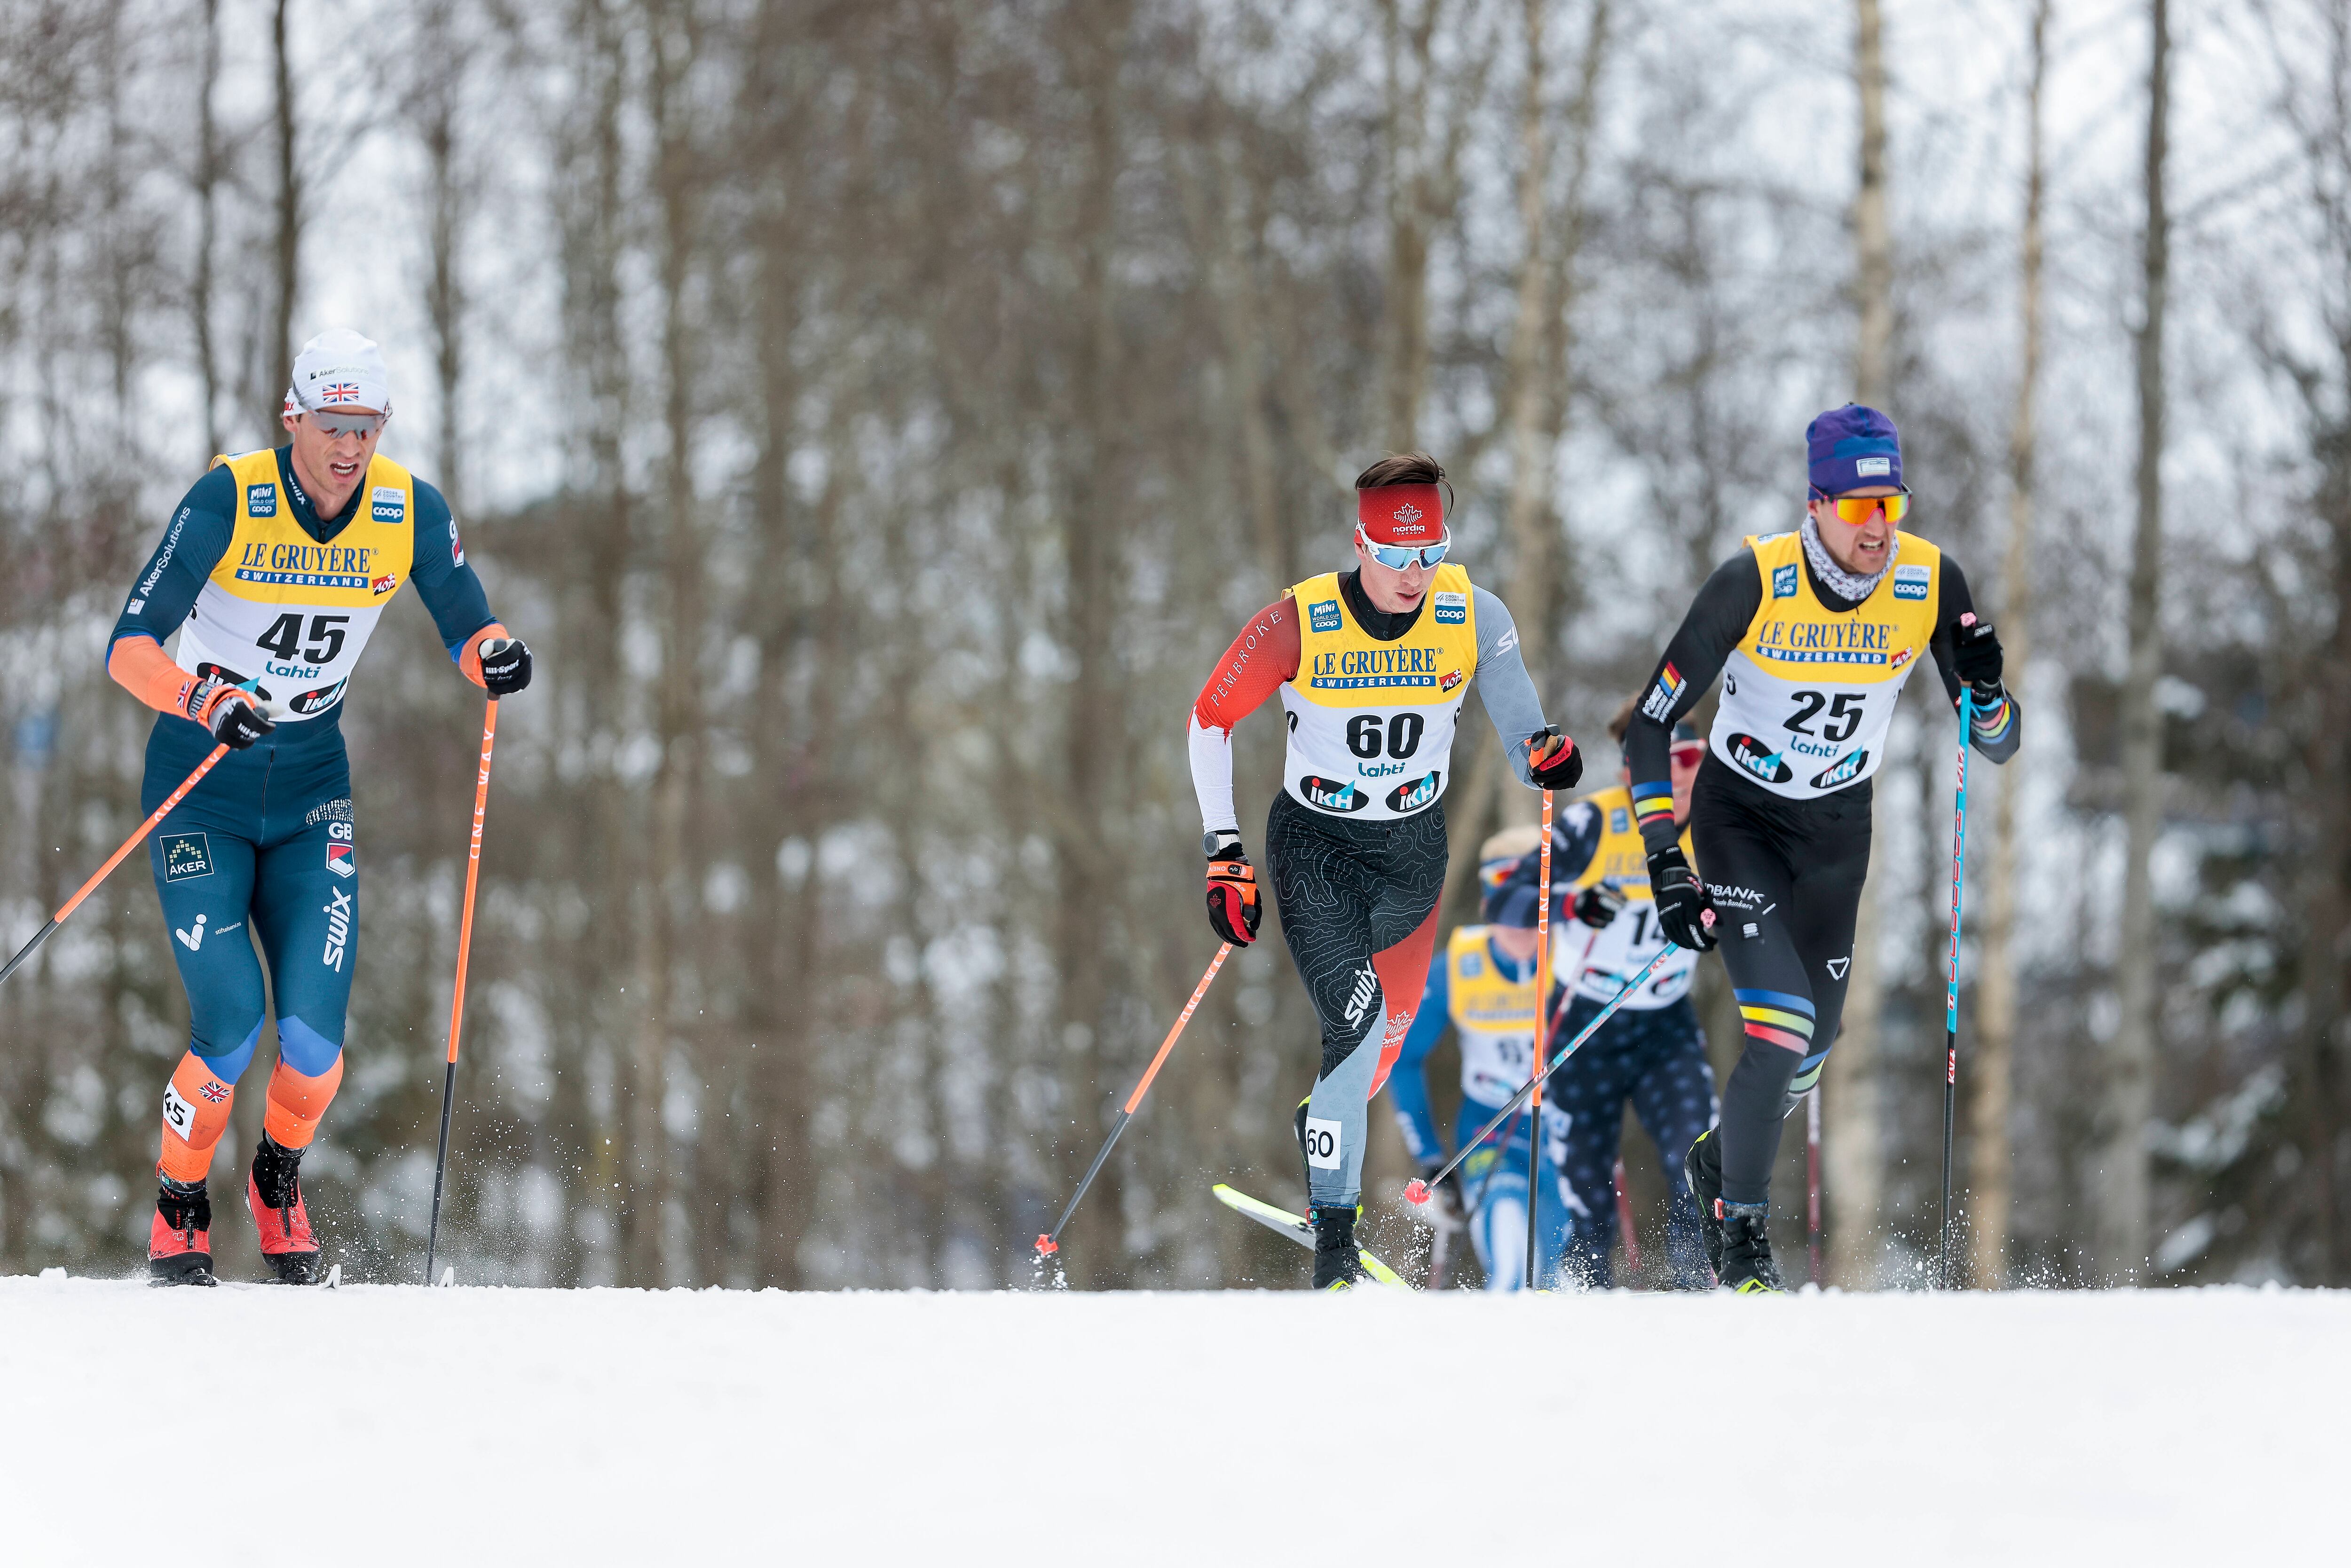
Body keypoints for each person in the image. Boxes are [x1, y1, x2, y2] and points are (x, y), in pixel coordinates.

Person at [110, 328, 533, 1284]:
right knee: (229, 1021)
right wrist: (203, 697)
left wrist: (495, 653)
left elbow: (467, 619)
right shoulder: (233, 495)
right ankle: (180, 1202)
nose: (349, 447)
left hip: (309, 795)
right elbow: (129, 643)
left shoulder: (406, 509)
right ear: (292, 418)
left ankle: (275, 1175)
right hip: (200, 789)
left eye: (367, 427)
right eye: (332, 424)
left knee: (313, 1044)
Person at [1621, 403, 2018, 1292]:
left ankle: (1719, 1163)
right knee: (1782, 1023)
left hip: (1839, 833)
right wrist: (1665, 861)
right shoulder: (1752, 581)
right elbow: (1650, 725)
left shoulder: (1929, 581)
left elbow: (1995, 740)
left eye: (1893, 506)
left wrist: (1987, 694)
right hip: (1742, 822)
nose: (1879, 527)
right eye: (1859, 508)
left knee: (1812, 1047)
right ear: (1817, 502)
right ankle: (1745, 1241)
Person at [1188, 452, 1582, 1289]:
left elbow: (1524, 733)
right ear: (1361, 543)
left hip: (1412, 854)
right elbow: (1210, 718)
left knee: (1381, 1049)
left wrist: (1547, 755)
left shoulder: (1474, 615)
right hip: (1317, 850)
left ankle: (1323, 1118)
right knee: (1359, 1026)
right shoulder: (1301, 620)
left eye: (1430, 555)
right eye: (1398, 557)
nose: (1415, 575)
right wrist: (1224, 851)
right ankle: (1335, 1243)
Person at [1505, 706, 1718, 1289]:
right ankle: (1584, 1299)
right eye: (1664, 761)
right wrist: (1572, 905)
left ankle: (1697, 1287)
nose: (1680, 776)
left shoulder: (1720, 825)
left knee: (1699, 1160)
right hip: (1584, 1022)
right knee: (1587, 1190)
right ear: (1632, 770)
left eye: (1692, 760)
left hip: (1664, 1023)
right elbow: (1506, 899)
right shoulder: (1593, 824)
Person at [1386, 829, 1579, 1291]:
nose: (1518, 926)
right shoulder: (1457, 967)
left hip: (1564, 1129)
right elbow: (1403, 1059)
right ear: (1485, 905)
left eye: (1532, 908)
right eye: (1503, 905)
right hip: (1489, 1124)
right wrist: (1431, 1159)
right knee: (1511, 1249)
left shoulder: (1578, 957)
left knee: (1555, 1268)